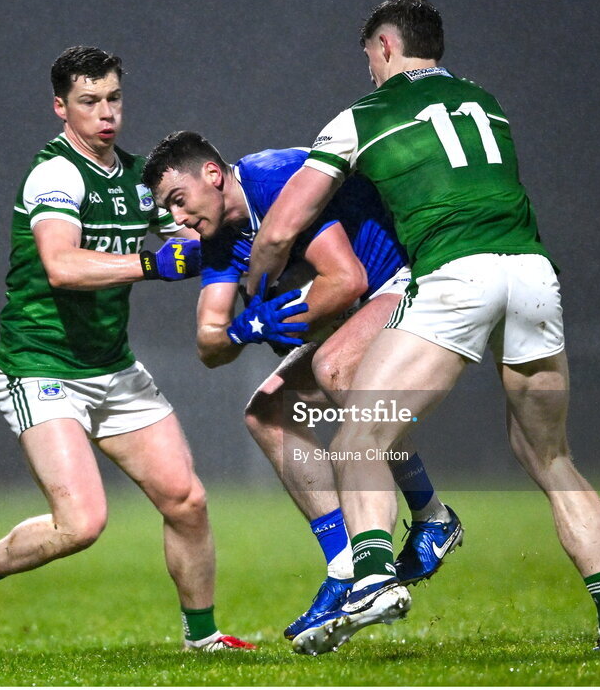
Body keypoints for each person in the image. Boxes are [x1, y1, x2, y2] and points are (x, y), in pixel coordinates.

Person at [246, 0, 600, 655]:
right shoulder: (487, 102)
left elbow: (284, 224)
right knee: (550, 455)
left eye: (369, 58)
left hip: (457, 275)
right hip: (533, 273)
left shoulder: (362, 117)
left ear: (385, 48)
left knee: (357, 436)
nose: (369, 70)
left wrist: (259, 280)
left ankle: (373, 578)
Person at [0, 46, 255, 662]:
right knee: (80, 523)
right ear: (61, 107)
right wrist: (150, 262)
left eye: (113, 98)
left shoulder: (139, 180)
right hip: (40, 365)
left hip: (112, 367)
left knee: (185, 500)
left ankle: (203, 637)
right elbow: (60, 265)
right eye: (89, 101)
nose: (105, 113)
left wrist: (211, 242)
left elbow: (183, 232)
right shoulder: (54, 174)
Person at [140, 131, 464, 642]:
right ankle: (343, 567)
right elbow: (208, 345)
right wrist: (245, 330)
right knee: (265, 412)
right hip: (357, 305)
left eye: (178, 201)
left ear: (212, 174)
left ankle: (430, 516)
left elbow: (348, 279)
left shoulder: (272, 179)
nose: (176, 219)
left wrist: (270, 319)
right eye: (167, 209)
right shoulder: (219, 235)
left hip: (401, 278)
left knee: (336, 368)